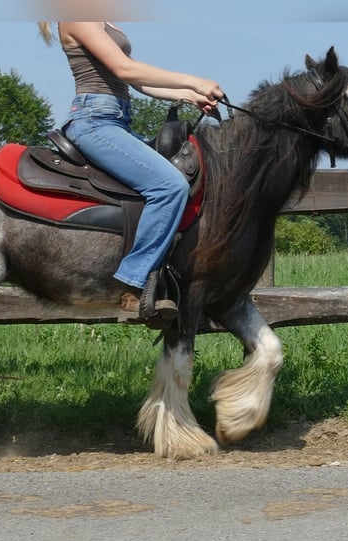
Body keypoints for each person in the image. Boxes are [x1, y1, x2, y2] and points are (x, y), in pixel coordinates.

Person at [38, 21, 224, 324]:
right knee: (169, 186)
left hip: (117, 120)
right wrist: (195, 80)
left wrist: (189, 94)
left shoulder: (103, 20)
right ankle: (131, 286)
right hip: (94, 121)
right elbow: (124, 69)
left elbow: (137, 80)